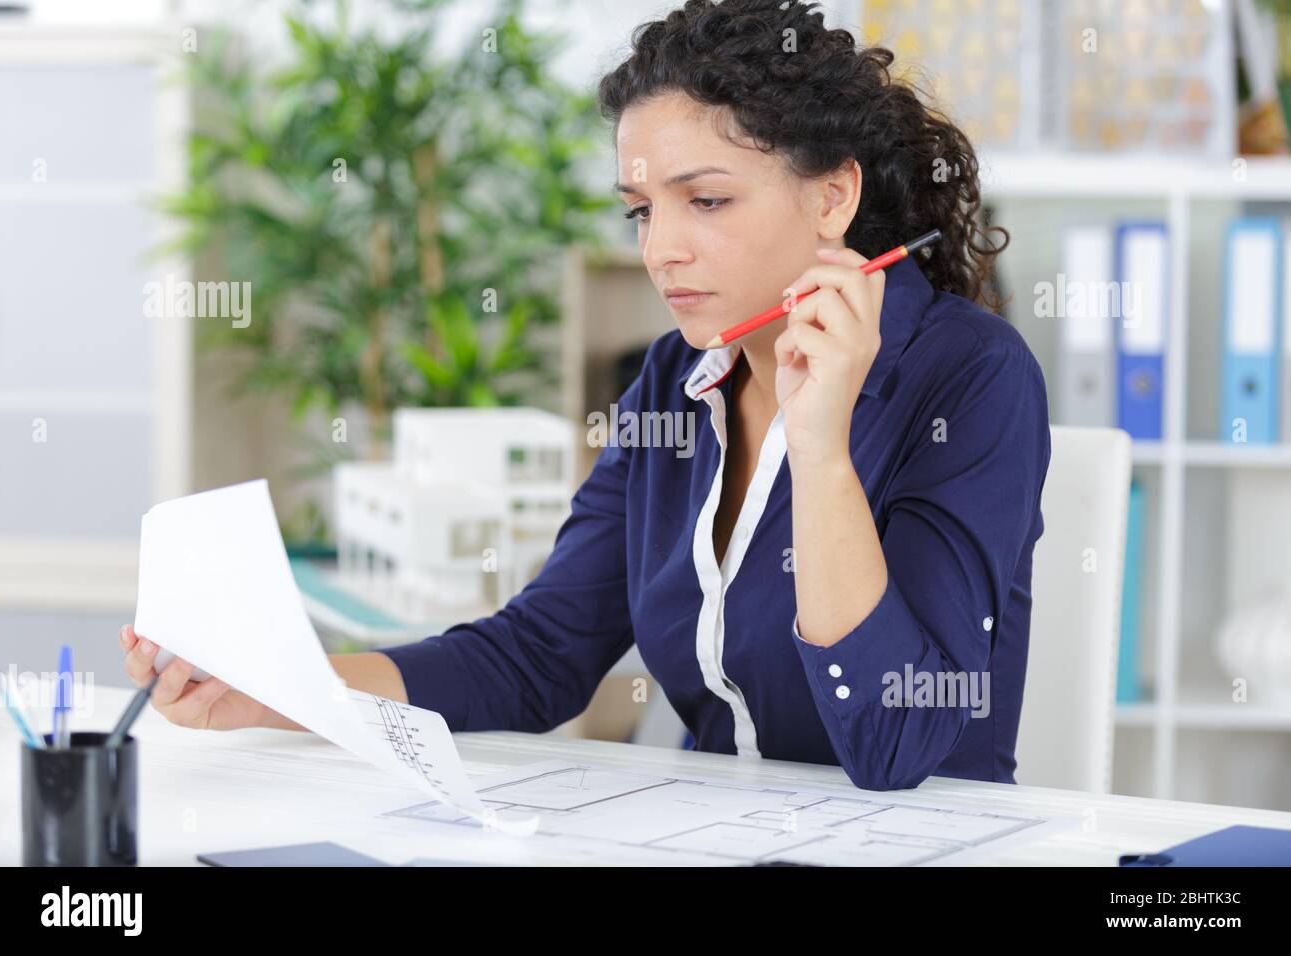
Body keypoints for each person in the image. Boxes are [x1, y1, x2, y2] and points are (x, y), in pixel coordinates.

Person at [119, 0, 1050, 791]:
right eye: (643, 210)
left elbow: (897, 741)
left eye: (708, 201)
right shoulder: (673, 384)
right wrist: (284, 689)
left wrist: (818, 446)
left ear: (832, 198)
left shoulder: (971, 378)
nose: (661, 250)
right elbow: (538, 657)